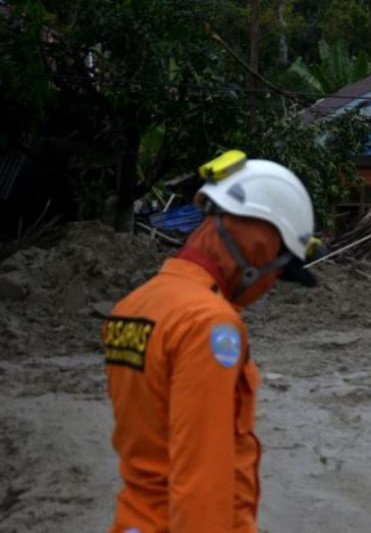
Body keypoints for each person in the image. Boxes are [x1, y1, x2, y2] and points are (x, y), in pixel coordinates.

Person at [103, 151, 317, 532]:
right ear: (261, 249)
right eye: (278, 275)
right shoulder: (208, 324)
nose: (268, 289)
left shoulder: (133, 305)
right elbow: (201, 479)